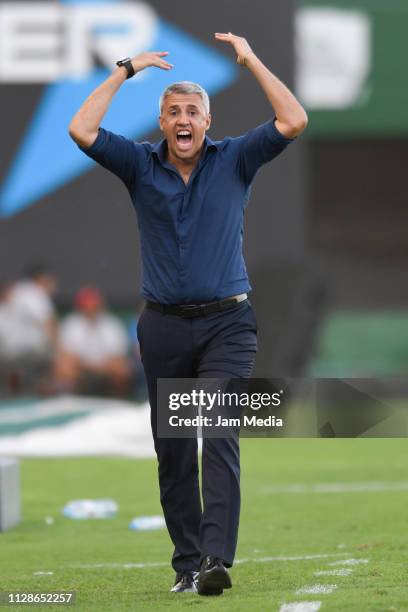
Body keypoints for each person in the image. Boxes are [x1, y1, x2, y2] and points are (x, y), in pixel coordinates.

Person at [69, 32, 307, 595]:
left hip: (228, 323)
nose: (183, 119)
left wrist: (251, 59)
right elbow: (81, 130)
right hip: (164, 327)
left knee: (219, 431)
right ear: (161, 120)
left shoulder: (236, 158)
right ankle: (188, 564)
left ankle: (216, 561)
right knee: (173, 450)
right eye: (173, 111)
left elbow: (293, 119)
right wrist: (125, 68)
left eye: (192, 111)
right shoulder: (138, 164)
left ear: (207, 120)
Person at [55, 286, 130, 397]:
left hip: (106, 367)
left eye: (94, 305)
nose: (90, 309)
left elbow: (117, 356)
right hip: (81, 368)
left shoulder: (112, 324)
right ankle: (69, 401)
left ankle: (118, 401)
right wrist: (88, 367)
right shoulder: (71, 324)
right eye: (87, 306)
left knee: (121, 370)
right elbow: (68, 355)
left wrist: (100, 367)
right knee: (64, 368)